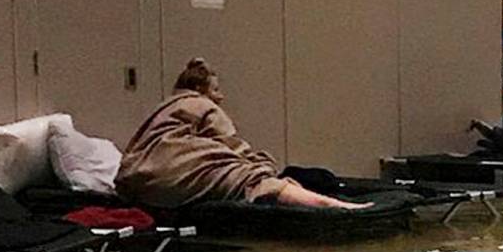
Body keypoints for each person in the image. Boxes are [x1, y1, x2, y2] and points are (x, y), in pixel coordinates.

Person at [116, 58, 371, 210]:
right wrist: (267, 169)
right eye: (216, 89)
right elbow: (236, 148)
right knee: (253, 178)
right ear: (198, 88)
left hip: (137, 182)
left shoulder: (164, 107)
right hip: (169, 179)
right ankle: (336, 206)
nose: (221, 96)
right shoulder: (202, 105)